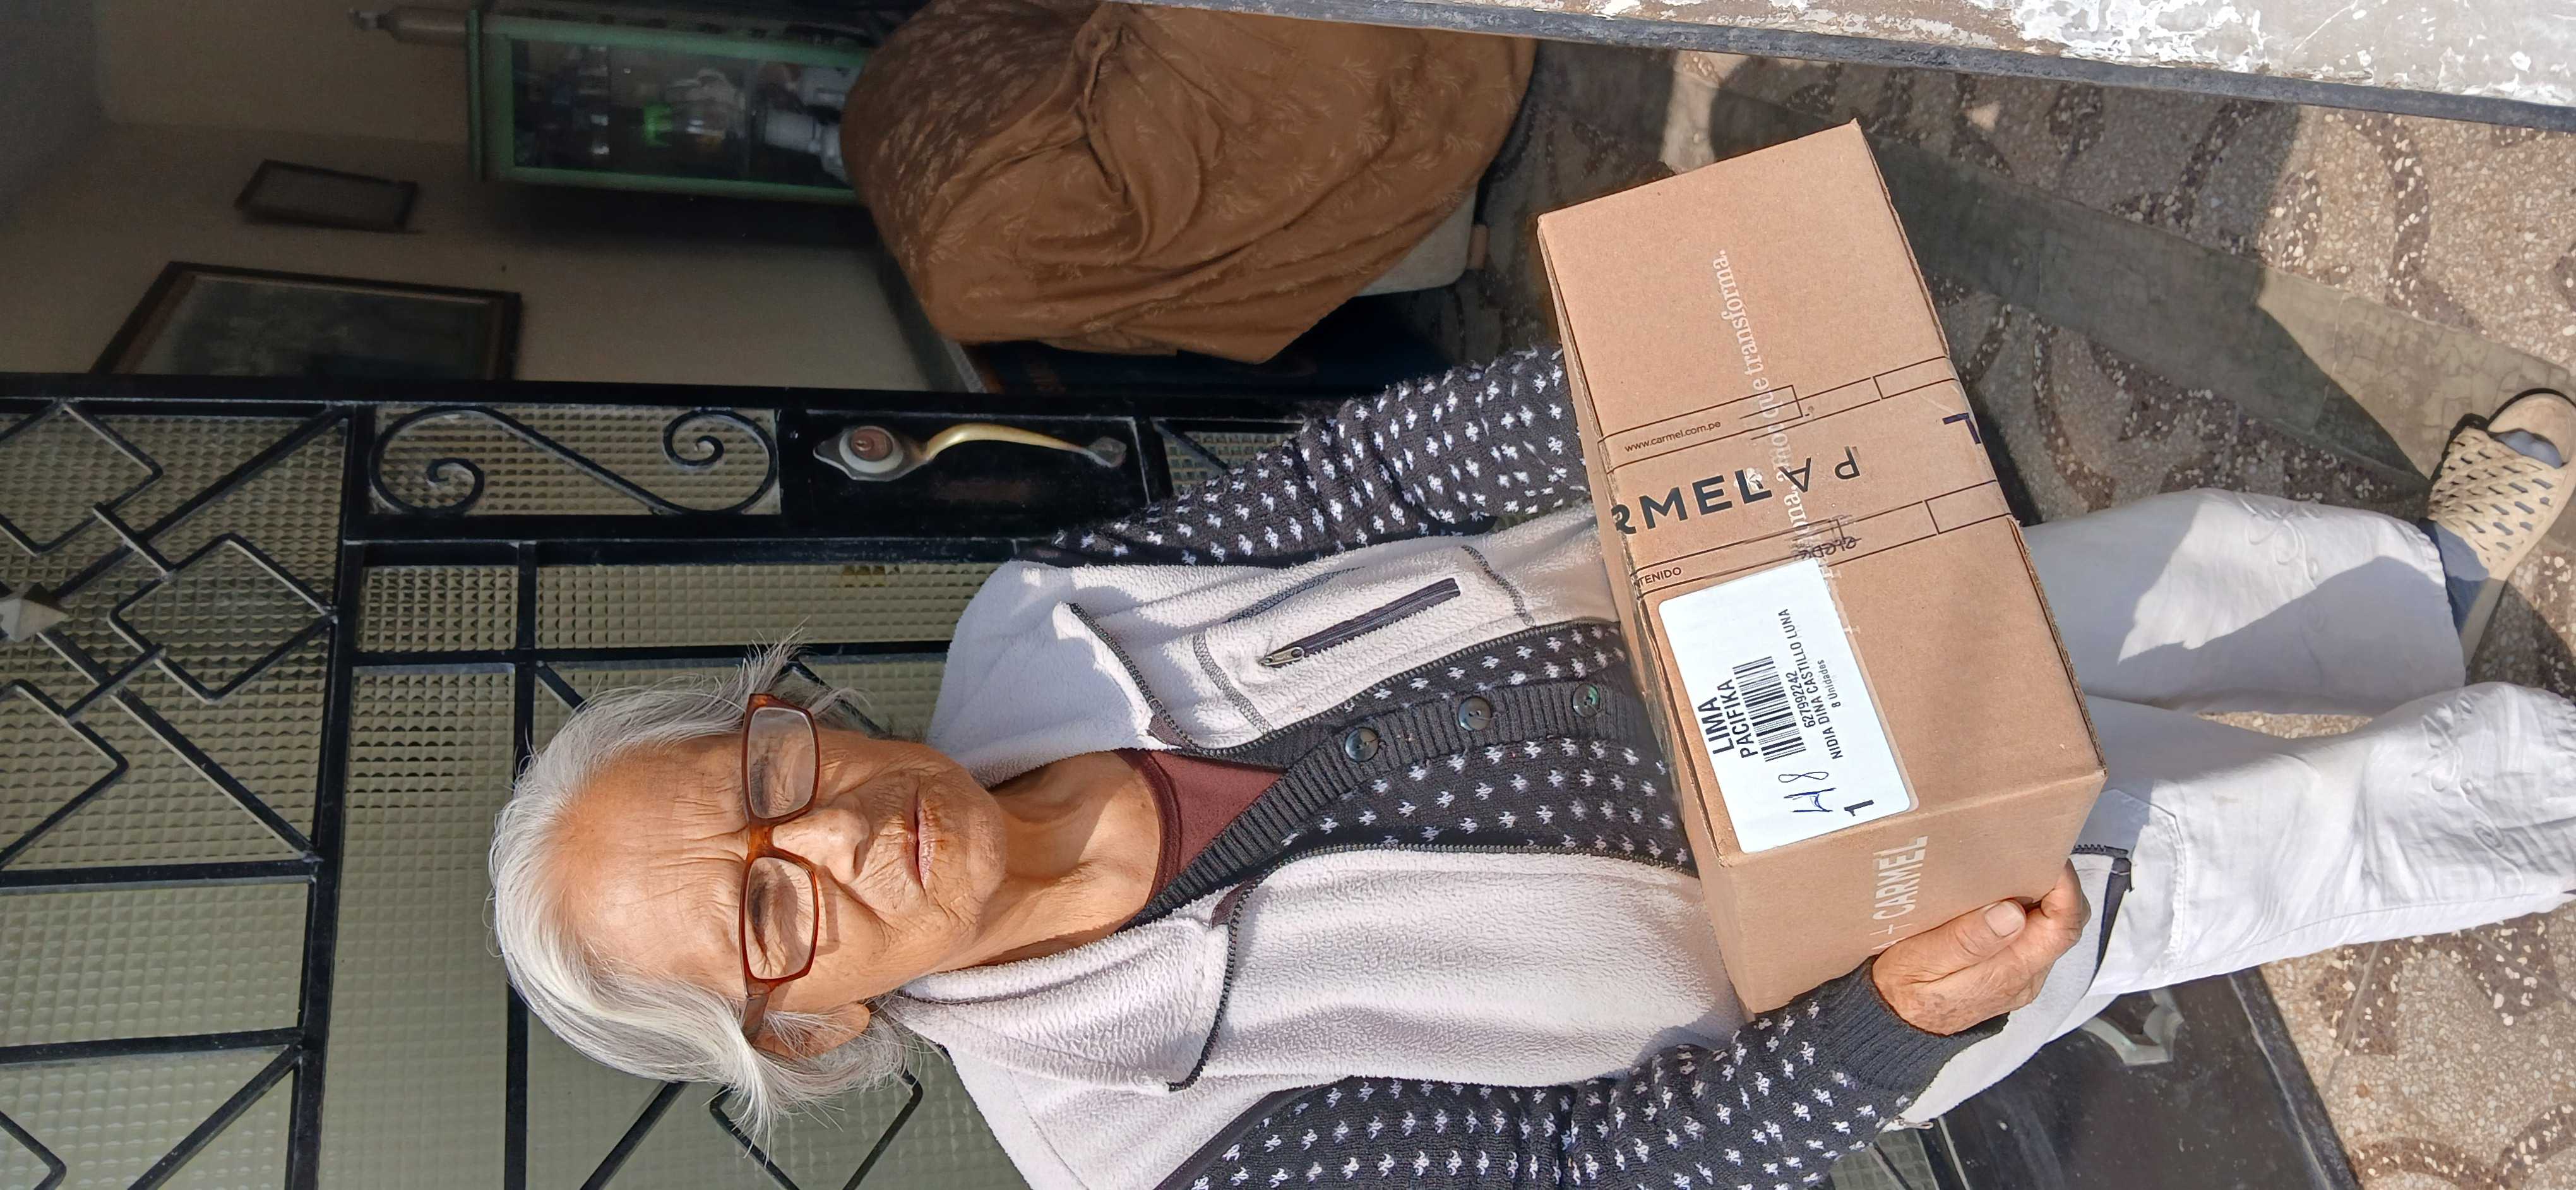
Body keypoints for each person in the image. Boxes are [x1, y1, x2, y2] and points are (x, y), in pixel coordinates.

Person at [489, 351, 2576, 1190]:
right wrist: (1885, 1028)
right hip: (1837, 940)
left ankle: (2421, 584)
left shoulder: (1034, 623)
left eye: (768, 771)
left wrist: (1670, 373)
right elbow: (1586, 1166)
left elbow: (1372, 481)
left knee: (2136, 593)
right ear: (805, 1023)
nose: (840, 826)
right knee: (2232, 846)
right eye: (772, 901)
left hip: (1767, 630)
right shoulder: (1139, 1142)